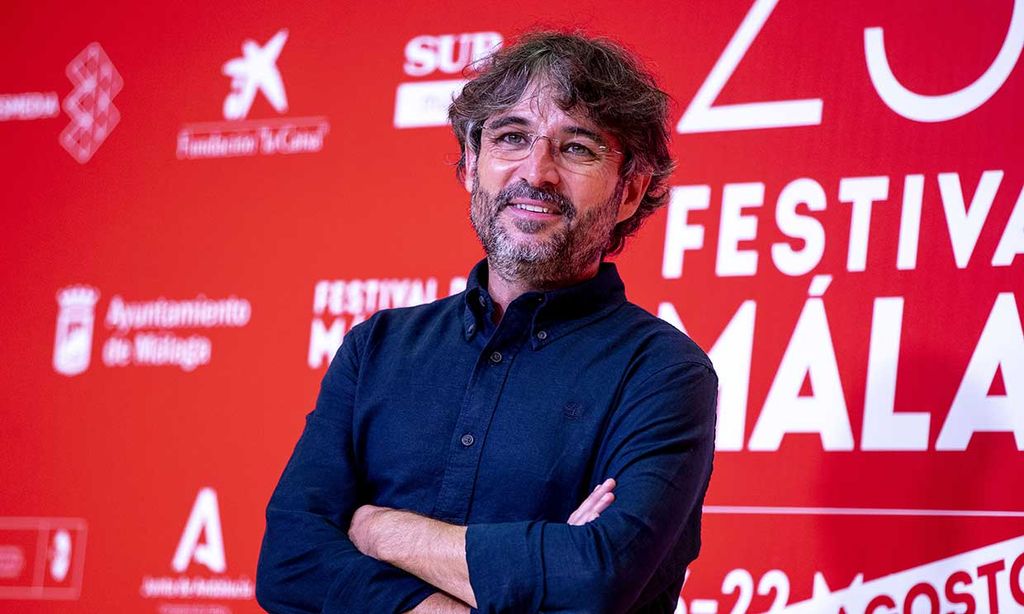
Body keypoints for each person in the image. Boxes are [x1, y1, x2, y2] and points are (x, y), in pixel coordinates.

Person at [256, 31, 718, 614]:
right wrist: (517, 576)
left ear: (630, 191)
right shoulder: (376, 348)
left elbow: (595, 580)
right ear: (472, 166)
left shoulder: (664, 373)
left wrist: (379, 530)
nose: (537, 172)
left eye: (577, 147)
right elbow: (289, 564)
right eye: (511, 137)